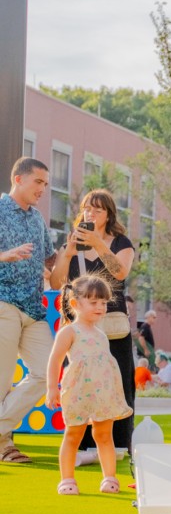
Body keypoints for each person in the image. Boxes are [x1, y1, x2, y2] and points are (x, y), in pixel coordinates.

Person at [50, 188, 138, 464]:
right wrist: (68, 253)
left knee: (116, 383)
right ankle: (82, 446)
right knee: (80, 382)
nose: (91, 213)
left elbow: (120, 272)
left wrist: (98, 243)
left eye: (98, 210)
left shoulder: (121, 242)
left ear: (108, 215)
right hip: (78, 329)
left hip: (112, 327)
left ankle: (119, 444)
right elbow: (56, 283)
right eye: (87, 208)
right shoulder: (72, 241)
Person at [45, 275, 133, 495]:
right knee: (73, 434)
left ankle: (110, 477)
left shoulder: (102, 335)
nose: (100, 307)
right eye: (94, 302)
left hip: (102, 394)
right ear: (75, 303)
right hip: (78, 392)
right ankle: (67, 479)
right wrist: (52, 388)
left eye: (103, 302)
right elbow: (55, 360)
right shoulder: (69, 331)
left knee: (104, 434)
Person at [0, 157, 56, 465]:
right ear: (18, 179)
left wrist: (72, 250)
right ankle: (5, 446)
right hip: (3, 304)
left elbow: (51, 260)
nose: (43, 189)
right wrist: (4, 256)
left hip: (34, 310)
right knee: (1, 382)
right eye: (38, 182)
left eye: (46, 184)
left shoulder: (38, 219)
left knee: (47, 373)